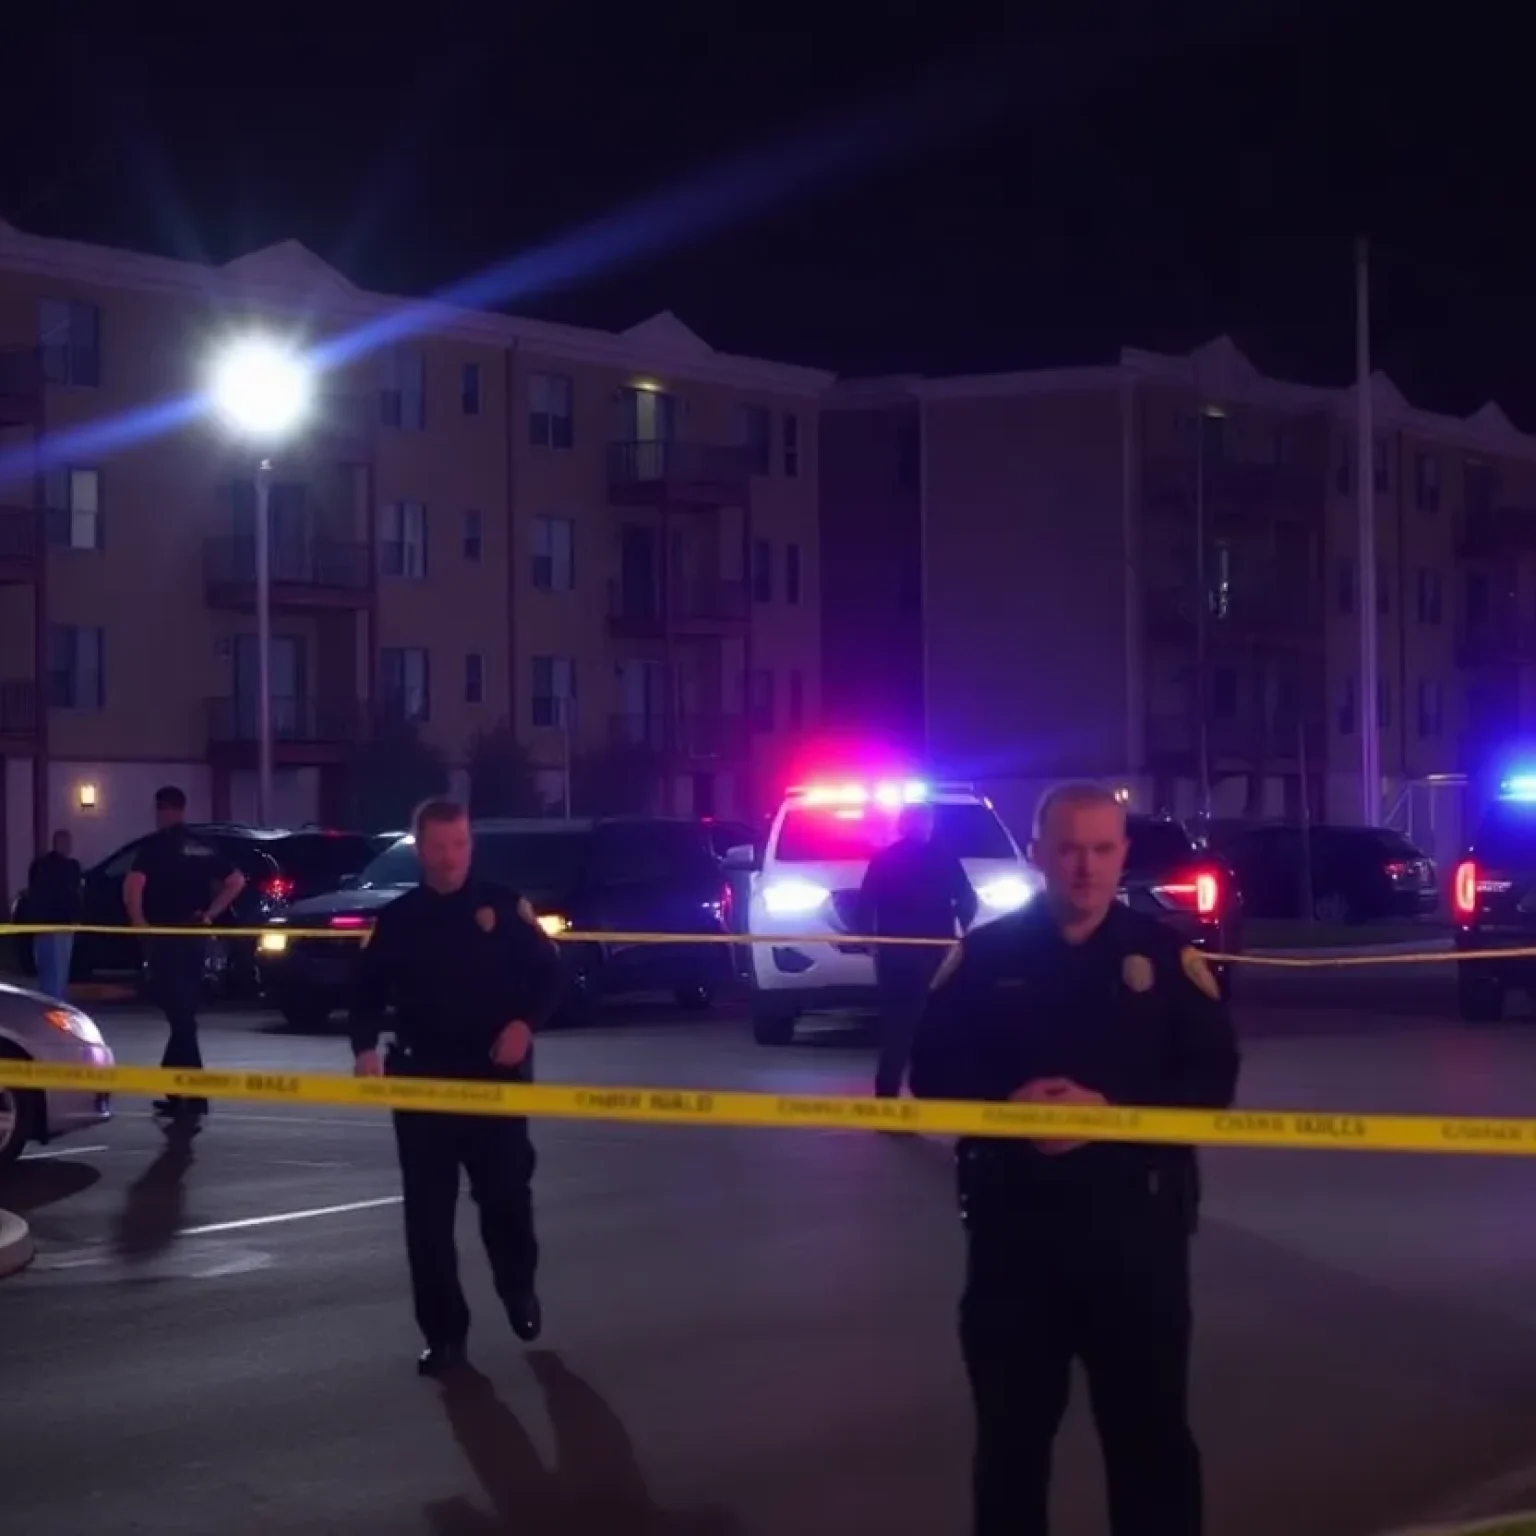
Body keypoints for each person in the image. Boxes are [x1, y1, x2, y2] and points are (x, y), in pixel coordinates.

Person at [910, 781, 1240, 1536]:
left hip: (1137, 1237)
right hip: (1014, 1240)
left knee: (1150, 1444)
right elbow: (931, 1074)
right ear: (1037, 855)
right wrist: (1011, 1103)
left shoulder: (1164, 959)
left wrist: (1108, 1109)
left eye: (1100, 849)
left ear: (1123, 853)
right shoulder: (987, 957)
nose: (1084, 868)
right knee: (1011, 1450)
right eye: (1067, 849)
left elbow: (1212, 1079)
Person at [349, 798, 565, 1378]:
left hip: (495, 1079)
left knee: (504, 1200)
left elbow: (550, 974)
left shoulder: (501, 906)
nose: (450, 859)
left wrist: (525, 1024)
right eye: (440, 847)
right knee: (426, 1219)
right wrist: (365, 1047)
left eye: (460, 845)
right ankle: (444, 1336)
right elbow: (366, 994)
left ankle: (518, 1288)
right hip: (422, 1082)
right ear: (420, 849)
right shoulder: (398, 921)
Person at [123, 786, 246, 1124]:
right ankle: (181, 1090)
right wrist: (211, 913)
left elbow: (133, 885)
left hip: (165, 937)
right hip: (193, 935)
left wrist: (139, 922)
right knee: (183, 1014)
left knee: (181, 1017)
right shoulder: (201, 844)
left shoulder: (154, 845)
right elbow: (236, 880)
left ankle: (189, 1091)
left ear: (162, 809)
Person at [858, 801, 977, 1097]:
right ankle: (925, 1096)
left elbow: (863, 906)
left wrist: (869, 941)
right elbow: (967, 902)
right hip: (935, 953)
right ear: (928, 826)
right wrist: (964, 932)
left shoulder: (884, 859)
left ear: (901, 825)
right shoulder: (945, 859)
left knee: (897, 1028)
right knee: (932, 1026)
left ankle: (886, 1097)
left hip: (894, 955)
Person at [28, 829, 83, 1000]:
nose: (67, 846)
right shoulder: (49, 867)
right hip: (53, 924)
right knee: (54, 970)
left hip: (58, 925)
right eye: (64, 842)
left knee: (55, 970)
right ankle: (54, 1004)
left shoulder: (69, 866)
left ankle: (52, 1002)